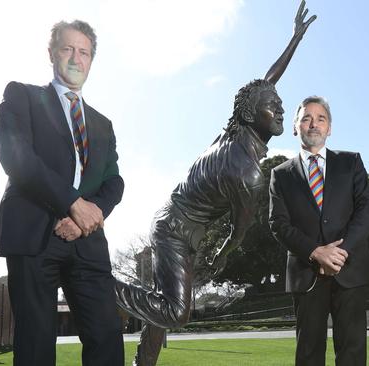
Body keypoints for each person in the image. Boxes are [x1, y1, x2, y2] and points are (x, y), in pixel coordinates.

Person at [116, 2, 316, 365]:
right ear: (251, 113)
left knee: (163, 308)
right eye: (273, 105)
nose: (281, 109)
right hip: (175, 228)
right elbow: (236, 236)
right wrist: (220, 257)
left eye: (280, 104)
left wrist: (294, 39)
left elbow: (267, 80)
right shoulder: (246, 171)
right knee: (177, 312)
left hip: (176, 225)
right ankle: (104, 285)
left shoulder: (236, 129)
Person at [0, 20, 125, 366]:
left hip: (88, 242)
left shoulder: (102, 123)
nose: (75, 58)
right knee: (36, 343)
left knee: (107, 337)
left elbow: (114, 182)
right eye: (68, 49)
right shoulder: (21, 95)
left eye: (84, 52)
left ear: (91, 61)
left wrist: (86, 216)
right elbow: (17, 157)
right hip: (35, 233)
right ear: (51, 53)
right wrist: (71, 203)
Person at [269, 96, 369, 366]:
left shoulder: (351, 162)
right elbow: (278, 223)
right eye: (306, 118)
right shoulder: (280, 174)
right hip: (307, 274)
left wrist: (338, 253)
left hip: (349, 269)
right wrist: (315, 252)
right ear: (296, 127)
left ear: (330, 128)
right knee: (308, 355)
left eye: (321, 118)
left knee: (352, 353)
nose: (313, 124)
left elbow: (366, 210)